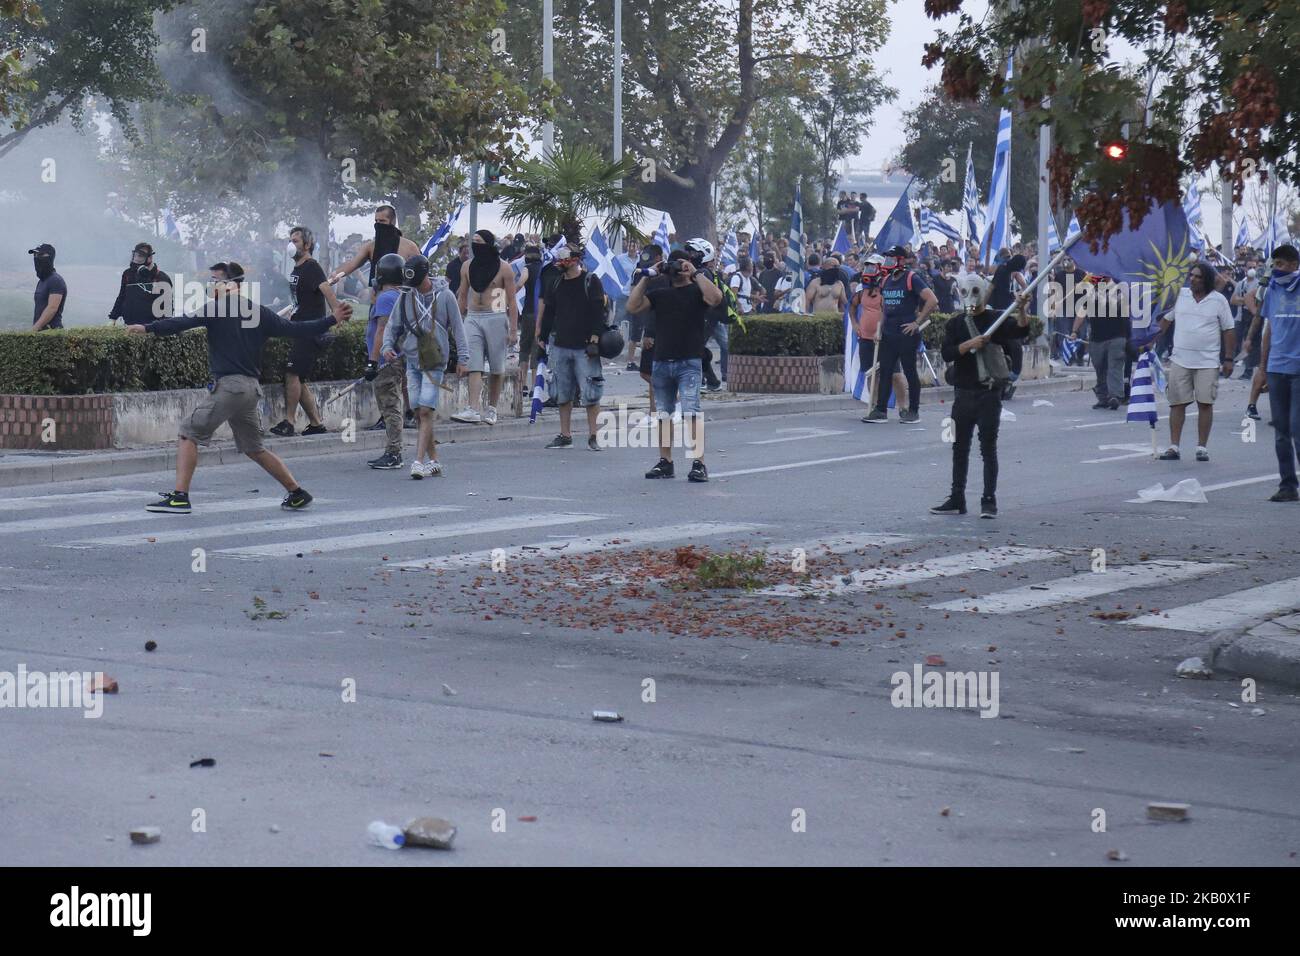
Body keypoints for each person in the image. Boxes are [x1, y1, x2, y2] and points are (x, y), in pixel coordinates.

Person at [127, 262, 351, 513]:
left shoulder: (216, 308)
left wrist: (147, 328)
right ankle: (297, 492)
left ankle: (180, 497)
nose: (210, 286)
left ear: (231, 284)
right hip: (250, 390)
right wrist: (332, 318)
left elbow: (179, 323)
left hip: (230, 388)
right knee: (254, 448)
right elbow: (297, 329)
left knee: (188, 433)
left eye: (214, 281)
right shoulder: (259, 312)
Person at [929, 277, 1031, 519]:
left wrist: (1022, 309)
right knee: (959, 448)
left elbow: (1021, 331)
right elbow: (947, 353)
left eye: (975, 291)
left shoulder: (995, 319)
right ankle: (957, 497)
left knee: (988, 448)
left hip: (988, 394)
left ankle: (988, 500)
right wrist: (968, 345)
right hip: (962, 394)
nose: (971, 297)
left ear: (984, 292)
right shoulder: (955, 324)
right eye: (966, 291)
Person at [626, 249, 722, 482]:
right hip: (662, 360)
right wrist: (648, 276)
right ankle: (665, 461)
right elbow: (632, 306)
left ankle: (699, 463)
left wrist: (696, 272)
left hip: (689, 361)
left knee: (691, 412)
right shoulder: (661, 294)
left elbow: (716, 298)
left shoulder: (697, 291)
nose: (677, 269)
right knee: (664, 414)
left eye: (681, 265)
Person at [381, 254, 469, 477]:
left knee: (426, 410)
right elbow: (393, 325)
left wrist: (463, 359)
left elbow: (458, 328)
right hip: (412, 361)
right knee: (419, 411)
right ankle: (435, 460)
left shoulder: (446, 296)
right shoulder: (405, 296)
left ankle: (418, 462)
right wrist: (386, 347)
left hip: (435, 362)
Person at [269, 226, 350, 437]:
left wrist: (336, 313)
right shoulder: (297, 269)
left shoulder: (312, 267)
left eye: (295, 241)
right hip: (300, 327)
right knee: (298, 377)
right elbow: (300, 299)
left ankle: (289, 421)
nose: (291, 244)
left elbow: (326, 289)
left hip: (310, 330)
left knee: (292, 372)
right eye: (290, 240)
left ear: (307, 245)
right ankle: (316, 424)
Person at [1155, 262, 1235, 462]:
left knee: (1205, 403)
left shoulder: (1219, 301)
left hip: (1208, 361)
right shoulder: (1180, 296)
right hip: (1180, 360)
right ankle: (1174, 446)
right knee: (1177, 404)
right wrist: (1148, 343)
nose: (1193, 279)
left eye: (1198, 276)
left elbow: (1229, 329)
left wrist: (1228, 359)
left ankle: (1201, 447)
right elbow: (1166, 320)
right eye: (1191, 275)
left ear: (1206, 279)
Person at [539, 241, 608, 451]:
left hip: (585, 348)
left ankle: (594, 436)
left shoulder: (590, 281)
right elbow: (550, 311)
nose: (560, 261)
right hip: (560, 345)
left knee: (590, 393)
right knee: (562, 392)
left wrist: (595, 339)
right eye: (559, 257)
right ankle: (565, 434)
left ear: (576, 259)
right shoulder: (556, 283)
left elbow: (599, 311)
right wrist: (542, 338)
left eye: (565, 257)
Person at [863, 245, 937, 424]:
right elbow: (884, 308)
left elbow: (932, 300)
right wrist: (879, 329)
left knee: (910, 372)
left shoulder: (912, 278)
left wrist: (916, 323)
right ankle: (880, 410)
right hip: (888, 334)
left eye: (891, 258)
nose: (888, 262)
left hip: (906, 334)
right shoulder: (885, 280)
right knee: (886, 372)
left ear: (901, 260)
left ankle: (913, 411)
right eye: (887, 258)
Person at [452, 229, 518, 425]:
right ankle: (473, 408)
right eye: (473, 242)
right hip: (472, 317)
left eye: (479, 242)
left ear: (488, 244)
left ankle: (492, 408)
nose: (475, 245)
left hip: (496, 317)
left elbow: (512, 301)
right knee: (474, 364)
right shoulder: (466, 267)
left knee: (497, 367)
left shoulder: (504, 268)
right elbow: (462, 295)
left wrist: (513, 330)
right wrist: (457, 320)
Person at [1257, 244, 1300, 502]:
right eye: (1275, 265)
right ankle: (1288, 485)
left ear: (1295, 265)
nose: (1277, 270)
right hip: (1276, 367)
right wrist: (1262, 367)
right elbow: (1269, 329)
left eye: (1282, 265)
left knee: (1297, 428)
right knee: (1281, 430)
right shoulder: (1272, 289)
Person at [363, 253, 408, 469]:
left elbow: (381, 330)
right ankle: (393, 450)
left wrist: (372, 361)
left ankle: (393, 453)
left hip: (385, 361)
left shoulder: (385, 298)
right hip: (395, 359)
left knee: (390, 407)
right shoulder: (401, 295)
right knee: (391, 405)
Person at [327, 204, 421, 296]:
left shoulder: (409, 247)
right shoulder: (370, 246)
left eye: (382, 221)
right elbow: (352, 264)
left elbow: (420, 272)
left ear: (392, 222)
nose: (379, 224)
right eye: (376, 221)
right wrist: (336, 274)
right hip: (377, 298)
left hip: (402, 297)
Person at [1069, 272, 1128, 410]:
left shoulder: (1120, 290)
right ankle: (1103, 397)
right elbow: (1082, 313)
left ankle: (1114, 395)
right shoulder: (1090, 294)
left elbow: (1128, 310)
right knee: (1100, 368)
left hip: (1117, 336)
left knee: (1114, 366)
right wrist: (1074, 331)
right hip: (1097, 338)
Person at [109, 242, 172, 325]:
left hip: (151, 327)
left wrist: (163, 328)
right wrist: (113, 317)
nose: (137, 259)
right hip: (129, 325)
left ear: (150, 258)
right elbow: (122, 297)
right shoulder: (128, 274)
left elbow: (167, 309)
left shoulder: (161, 278)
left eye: (141, 256)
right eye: (136, 255)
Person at [29, 243, 66, 331]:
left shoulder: (55, 280)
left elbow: (52, 308)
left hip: (52, 334)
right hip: (42, 333)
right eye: (35, 255)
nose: (37, 258)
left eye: (40, 255)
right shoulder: (41, 281)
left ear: (50, 257)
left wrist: (35, 329)